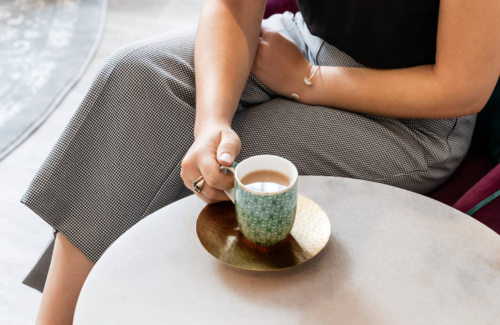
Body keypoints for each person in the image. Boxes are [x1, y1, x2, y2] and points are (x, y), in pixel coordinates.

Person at [21, 0, 500, 324]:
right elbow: (235, 8)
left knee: (237, 163)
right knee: (135, 79)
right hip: (300, 41)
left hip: (410, 117)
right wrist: (211, 121)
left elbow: (462, 86)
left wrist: (308, 80)